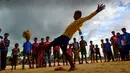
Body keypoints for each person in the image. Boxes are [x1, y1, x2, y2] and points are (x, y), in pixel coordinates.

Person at [47, 4, 105, 71]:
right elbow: (77, 27)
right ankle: (72, 65)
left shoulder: (80, 20)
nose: (73, 15)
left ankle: (73, 66)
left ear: (78, 15)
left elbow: (89, 17)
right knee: (56, 47)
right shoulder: (76, 22)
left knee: (61, 49)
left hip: (65, 37)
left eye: (74, 14)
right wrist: (80, 31)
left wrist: (97, 11)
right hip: (63, 36)